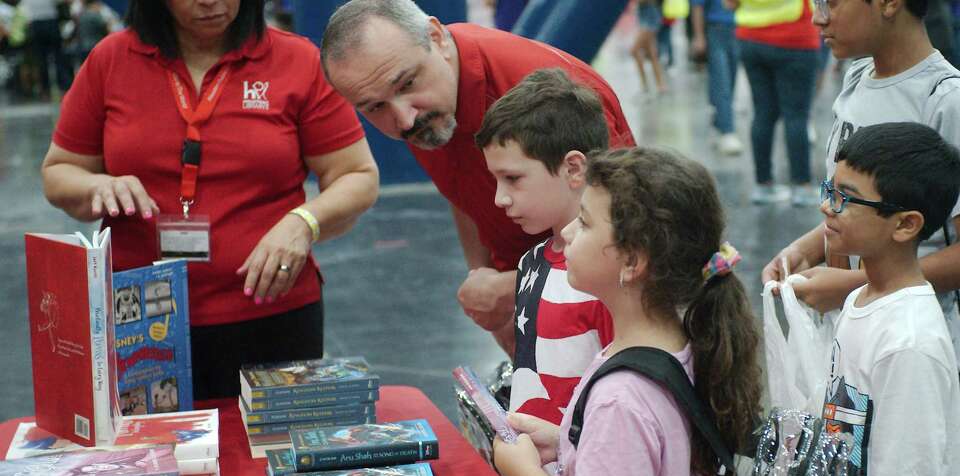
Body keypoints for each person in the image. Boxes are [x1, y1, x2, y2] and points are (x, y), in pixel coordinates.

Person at [40, 0, 379, 399]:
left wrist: (304, 221)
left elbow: (357, 175)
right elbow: (59, 172)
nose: (210, 2)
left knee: (266, 455)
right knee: (151, 457)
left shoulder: (297, 60)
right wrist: (96, 187)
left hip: (271, 313)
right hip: (139, 322)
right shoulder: (111, 60)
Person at [320, 0, 635, 356]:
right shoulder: (422, 103)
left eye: (407, 83)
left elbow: (627, 246)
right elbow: (463, 194)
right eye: (374, 107)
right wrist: (486, 285)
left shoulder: (545, 94)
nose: (405, 119)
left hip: (605, 320)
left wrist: (515, 289)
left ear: (436, 38)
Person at [493, 146, 762, 476]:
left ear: (632, 262)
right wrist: (567, 444)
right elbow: (654, 463)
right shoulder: (680, 345)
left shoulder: (621, 397)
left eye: (584, 223)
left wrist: (525, 474)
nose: (567, 232)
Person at [761, 0, 960, 362]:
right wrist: (807, 249)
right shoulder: (857, 76)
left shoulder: (946, 101)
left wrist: (852, 285)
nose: (817, 17)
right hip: (851, 333)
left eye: (830, 3)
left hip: (907, 345)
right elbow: (861, 205)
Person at [817, 122, 960, 476]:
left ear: (905, 225)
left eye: (845, 198)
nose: (828, 207)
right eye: (830, 190)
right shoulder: (861, 299)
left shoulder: (909, 342)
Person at [475, 68, 614, 426]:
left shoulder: (608, 273)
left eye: (513, 179)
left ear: (573, 169)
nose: (498, 199)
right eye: (495, 179)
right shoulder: (532, 262)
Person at [729, 0, 820, 206]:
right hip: (795, 37)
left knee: (763, 113)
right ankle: (802, 186)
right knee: (796, 115)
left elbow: (729, 3)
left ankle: (763, 185)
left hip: (751, 38)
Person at [691, 0, 744, 155]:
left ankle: (718, 121)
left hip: (738, 29)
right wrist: (699, 36)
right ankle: (728, 131)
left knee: (731, 78)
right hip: (716, 30)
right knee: (721, 79)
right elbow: (697, 7)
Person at [631, 0, 668, 94]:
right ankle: (659, 85)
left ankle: (646, 84)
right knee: (652, 54)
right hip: (645, 16)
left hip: (650, 17)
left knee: (634, 50)